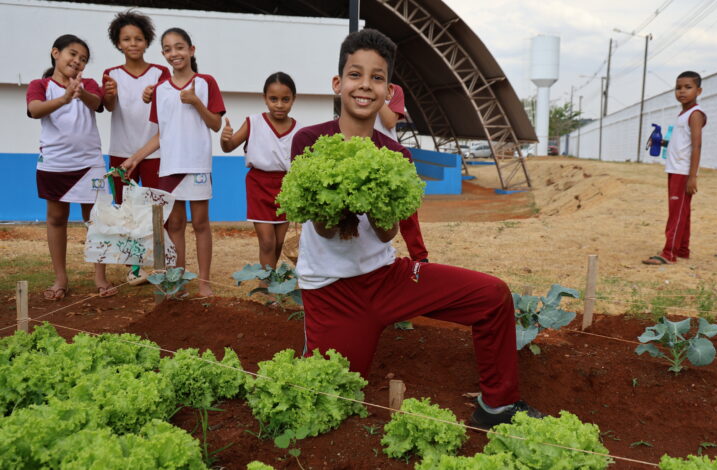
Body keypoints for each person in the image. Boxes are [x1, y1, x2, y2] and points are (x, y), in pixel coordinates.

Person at [291, 28, 543, 429]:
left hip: (388, 278)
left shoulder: (395, 155)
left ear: (388, 91)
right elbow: (321, 230)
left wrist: (375, 209)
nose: (365, 86)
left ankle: (497, 405)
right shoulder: (309, 141)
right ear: (338, 83)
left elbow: (388, 235)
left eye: (377, 78)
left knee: (492, 296)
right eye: (356, 74)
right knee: (327, 401)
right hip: (333, 290)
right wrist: (345, 197)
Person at [120, 28, 225, 297]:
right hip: (169, 167)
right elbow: (160, 135)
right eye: (167, 49)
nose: (174, 53)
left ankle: (204, 283)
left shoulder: (205, 82)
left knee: (201, 224)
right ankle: (178, 282)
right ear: (163, 55)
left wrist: (196, 102)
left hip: (197, 165)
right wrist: (135, 158)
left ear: (191, 50)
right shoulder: (161, 90)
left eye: (179, 47)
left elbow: (215, 124)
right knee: (175, 225)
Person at [26, 34, 117, 300]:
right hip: (54, 165)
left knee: (96, 221)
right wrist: (64, 98)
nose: (77, 61)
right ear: (56, 53)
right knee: (56, 220)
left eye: (83, 59)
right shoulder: (39, 84)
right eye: (73, 54)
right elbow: (35, 109)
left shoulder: (88, 84)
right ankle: (60, 279)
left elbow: (98, 103)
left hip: (89, 165)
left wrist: (80, 92)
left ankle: (100, 277)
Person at [103, 9, 171, 285]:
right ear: (118, 43)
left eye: (138, 38)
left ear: (147, 42)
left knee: (157, 211)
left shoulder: (161, 73)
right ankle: (134, 268)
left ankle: (160, 264)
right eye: (127, 39)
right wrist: (110, 96)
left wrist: (154, 95)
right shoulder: (111, 74)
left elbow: (168, 106)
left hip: (155, 151)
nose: (133, 43)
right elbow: (107, 107)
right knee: (126, 211)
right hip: (120, 151)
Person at [220, 72, 300, 269]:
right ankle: (267, 288)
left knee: (279, 242)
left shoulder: (299, 130)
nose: (279, 104)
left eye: (285, 99)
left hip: (286, 188)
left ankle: (271, 281)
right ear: (265, 98)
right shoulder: (253, 123)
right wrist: (225, 139)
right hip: (259, 185)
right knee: (267, 242)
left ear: (293, 100)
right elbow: (229, 147)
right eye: (273, 99)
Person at [643, 71, 706, 265]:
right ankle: (682, 250)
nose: (682, 91)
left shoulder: (695, 115)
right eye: (678, 88)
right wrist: (660, 142)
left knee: (676, 213)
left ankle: (669, 253)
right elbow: (681, 144)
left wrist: (692, 176)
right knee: (682, 212)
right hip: (674, 169)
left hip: (683, 172)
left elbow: (697, 146)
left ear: (699, 90)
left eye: (688, 87)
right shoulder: (682, 114)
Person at [373, 83, 429, 262]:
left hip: (393, 157)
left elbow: (389, 121)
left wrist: (377, 94)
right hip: (367, 156)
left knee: (408, 212)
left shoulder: (394, 90)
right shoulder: (359, 86)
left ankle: (420, 257)